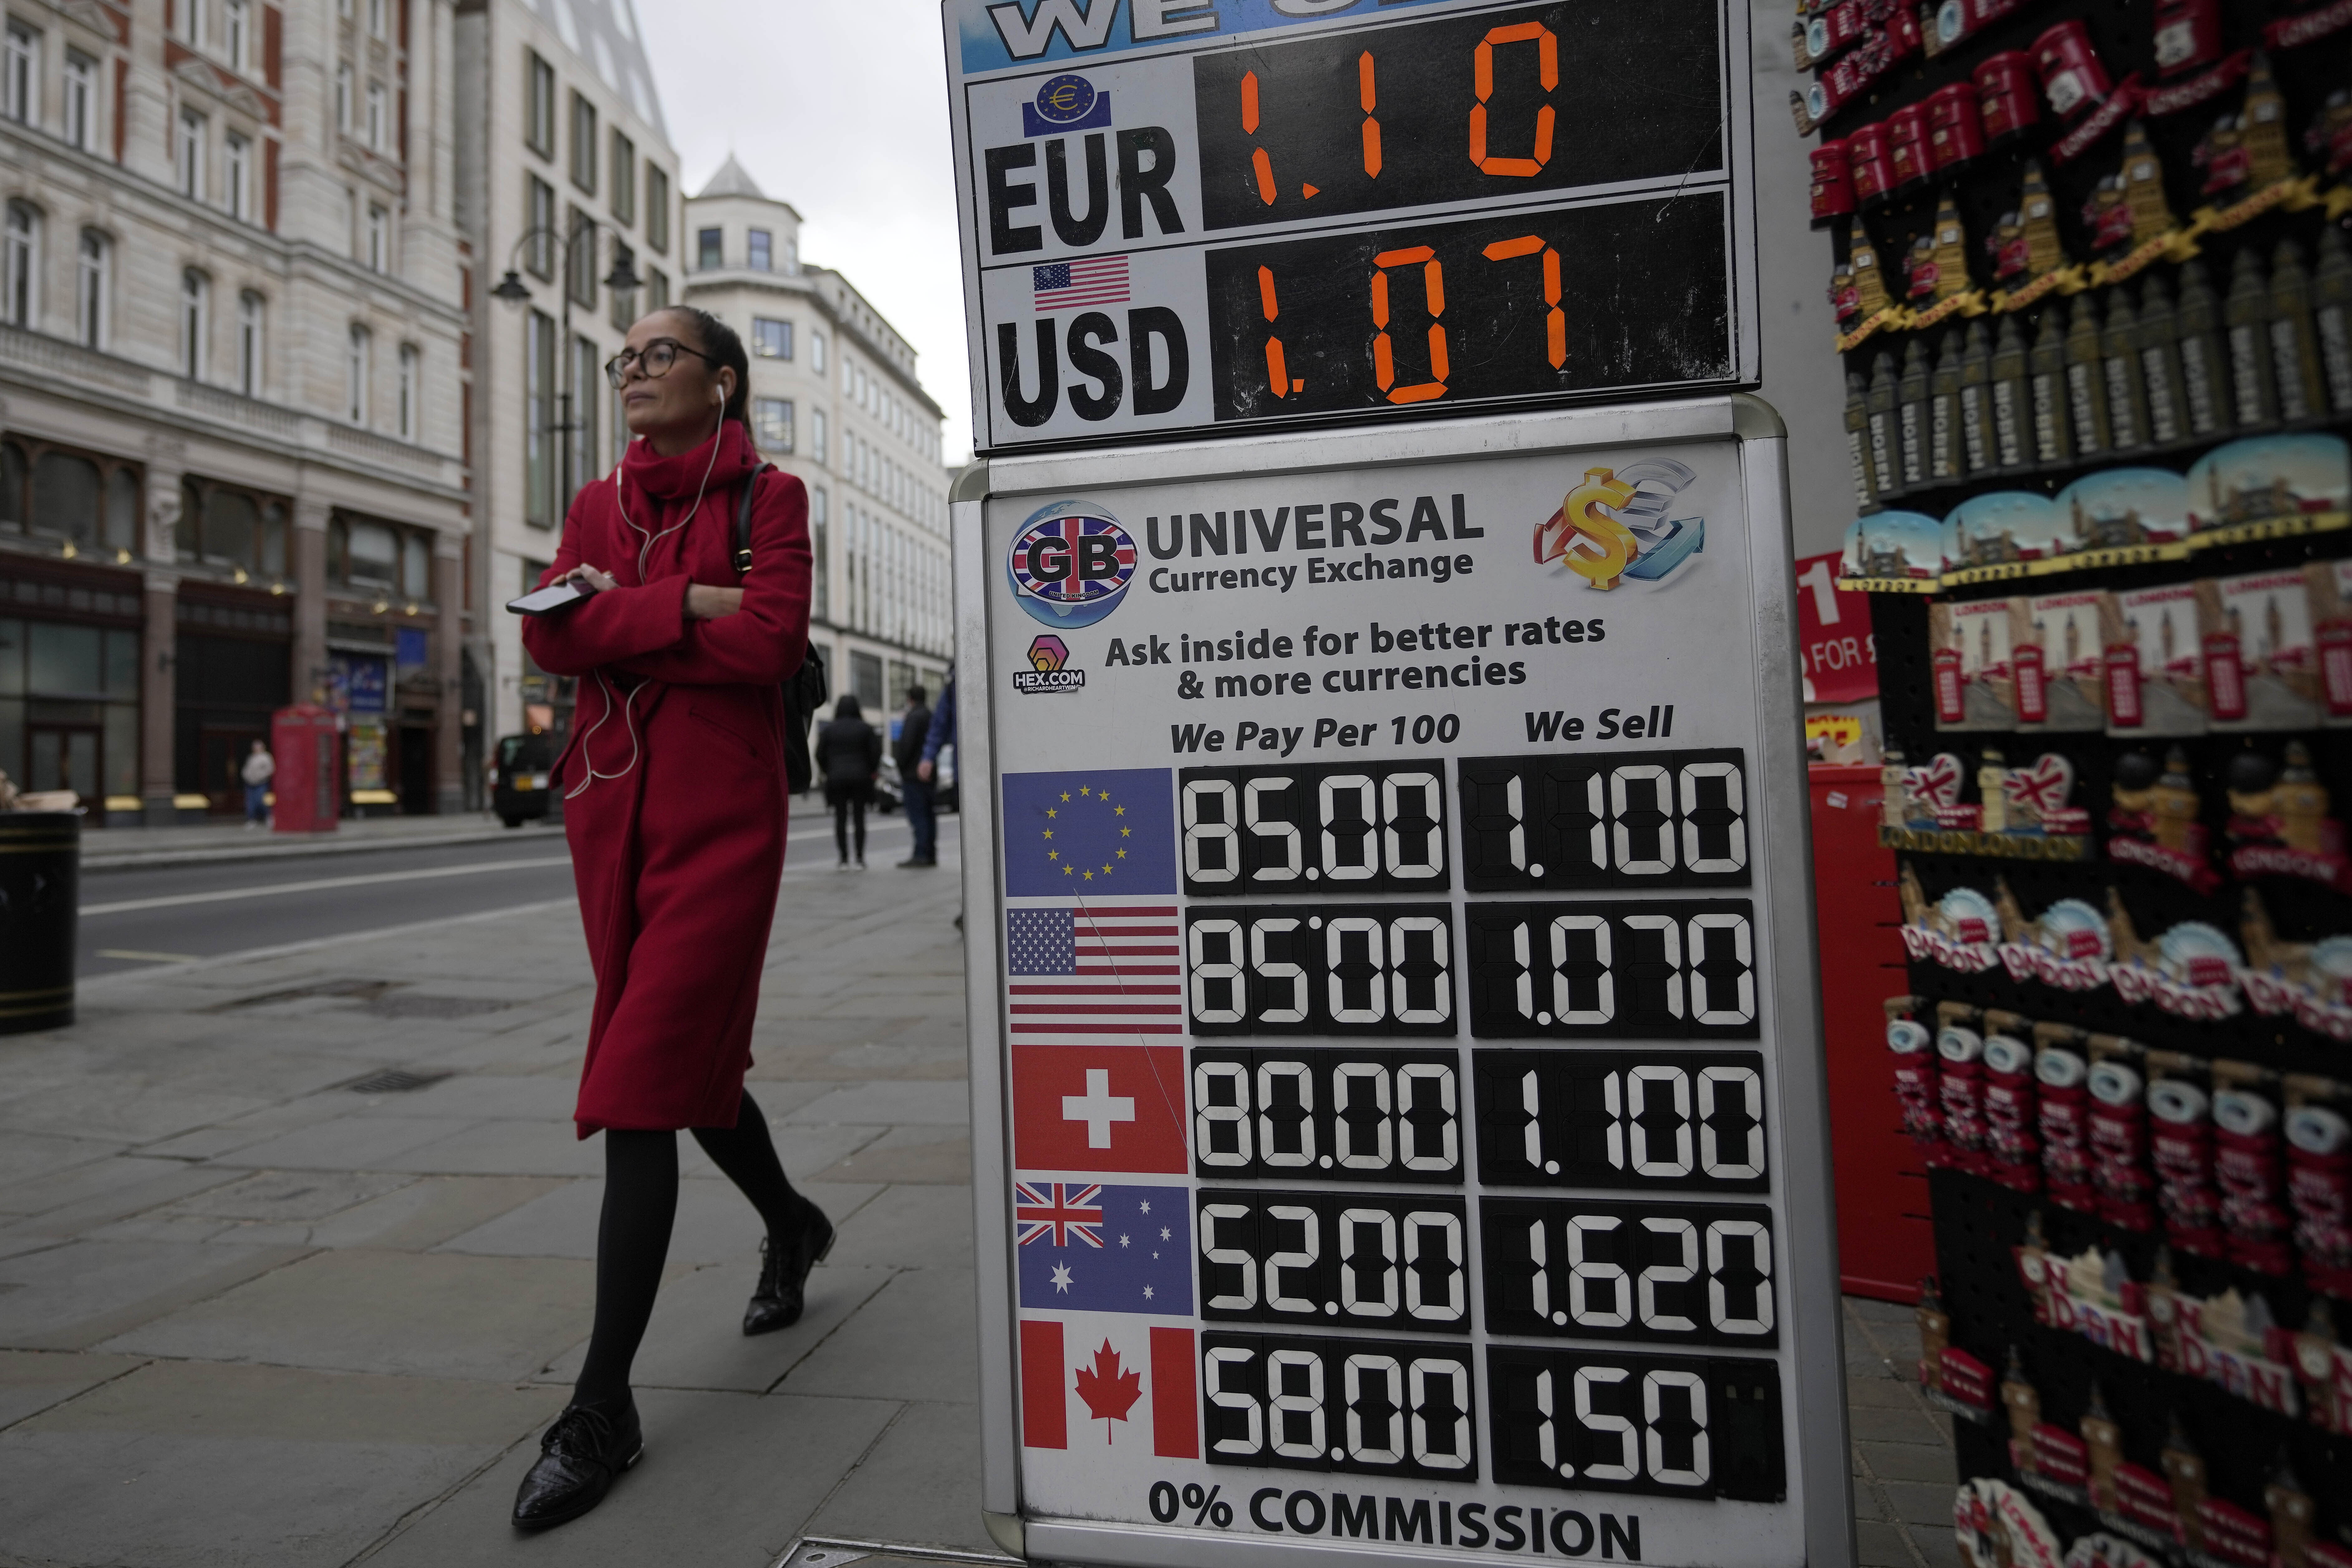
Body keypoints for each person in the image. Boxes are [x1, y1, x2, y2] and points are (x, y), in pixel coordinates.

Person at [511, 305, 830, 1532]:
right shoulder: (597, 508)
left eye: (658, 356)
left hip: (721, 831)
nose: (633, 373)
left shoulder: (773, 499)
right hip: (608, 824)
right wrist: (689, 605)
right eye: (623, 360)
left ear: (722, 381)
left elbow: (769, 642)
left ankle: (600, 1409)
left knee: (641, 1077)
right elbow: (552, 639)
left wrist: (642, 622)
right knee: (684, 1067)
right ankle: (793, 1224)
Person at [818, 694, 882, 869]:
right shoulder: (865, 729)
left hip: (837, 778)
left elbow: (820, 754)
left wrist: (829, 770)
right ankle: (860, 858)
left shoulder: (830, 730)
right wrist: (869, 770)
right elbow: (875, 753)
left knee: (840, 818)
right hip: (861, 778)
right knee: (860, 818)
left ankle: (844, 859)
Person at [896, 683, 935, 867]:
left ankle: (921, 854)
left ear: (910, 700)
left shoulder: (913, 717)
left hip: (913, 775)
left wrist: (901, 767)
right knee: (928, 814)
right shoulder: (929, 715)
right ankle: (930, 853)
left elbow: (906, 746)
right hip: (929, 774)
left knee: (918, 815)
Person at [241, 739, 274, 828]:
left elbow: (270, 770)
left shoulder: (266, 757)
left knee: (262, 801)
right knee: (250, 803)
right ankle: (252, 820)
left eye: (258, 747)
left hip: (261, 783)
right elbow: (246, 769)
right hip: (250, 783)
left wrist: (260, 777)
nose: (256, 749)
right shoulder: (251, 758)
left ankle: (268, 817)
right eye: (255, 747)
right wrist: (246, 776)